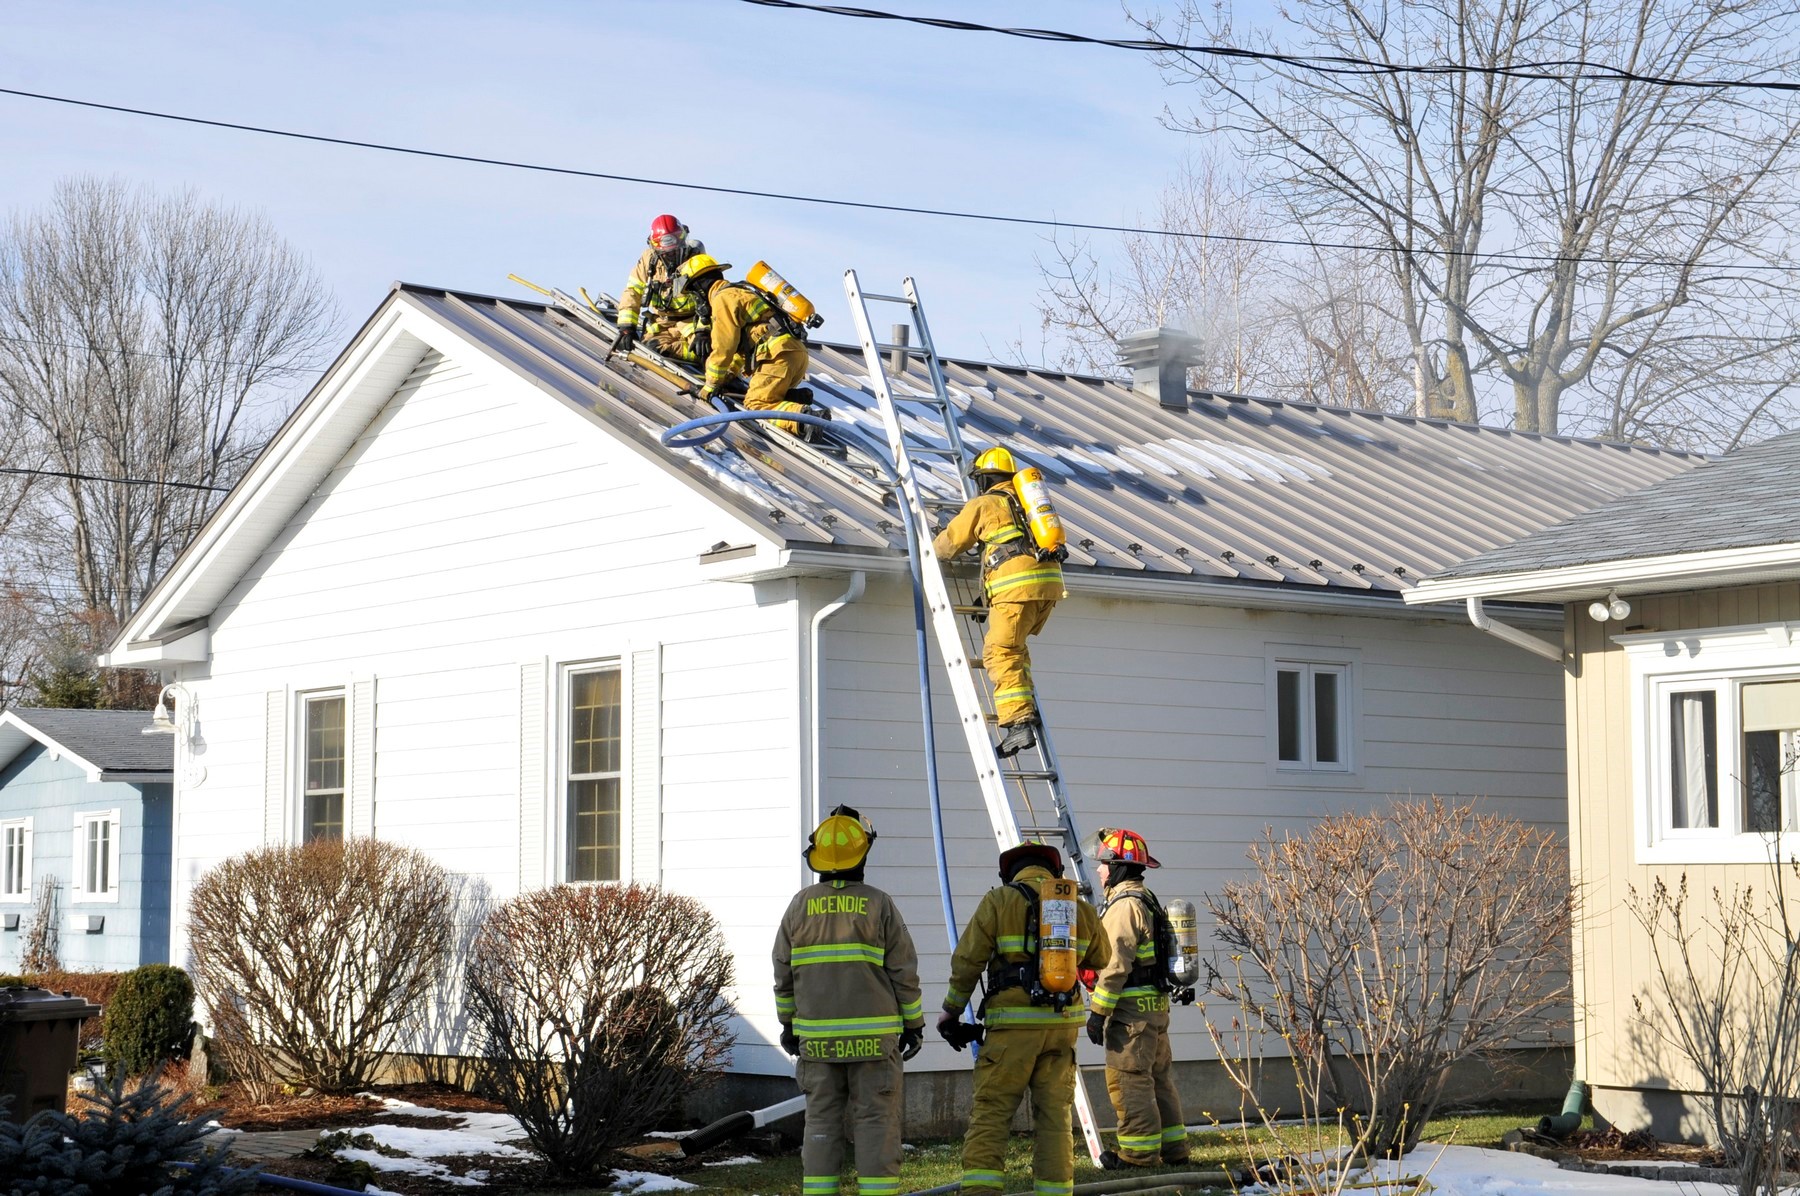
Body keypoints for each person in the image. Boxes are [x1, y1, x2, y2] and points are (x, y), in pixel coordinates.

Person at [937, 842, 1109, 1196]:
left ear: (1010, 872)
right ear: (1054, 873)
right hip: (1061, 1029)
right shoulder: (1074, 905)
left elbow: (967, 962)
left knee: (992, 1115)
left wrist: (951, 1011)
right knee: (1055, 1120)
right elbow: (1102, 956)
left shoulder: (999, 901)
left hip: (1011, 1031)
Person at [774, 805, 925, 1196]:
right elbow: (903, 972)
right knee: (876, 1122)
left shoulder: (798, 906)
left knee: (820, 1123)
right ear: (864, 854)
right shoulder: (879, 904)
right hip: (874, 1044)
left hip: (818, 1045)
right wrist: (914, 1026)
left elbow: (783, 974)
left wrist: (788, 1025)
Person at [932, 446, 1067, 757]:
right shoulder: (1026, 503)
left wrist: (925, 548)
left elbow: (950, 544)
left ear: (984, 479)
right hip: (1046, 588)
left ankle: (1019, 723)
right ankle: (1024, 711)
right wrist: (988, 596)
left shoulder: (986, 503)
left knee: (999, 652)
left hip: (1016, 589)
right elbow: (1016, 549)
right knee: (1015, 649)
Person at [1085, 828, 1189, 1169]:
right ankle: (1175, 1152)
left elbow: (1115, 965)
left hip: (1130, 1014)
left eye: (1104, 864)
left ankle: (1139, 1156)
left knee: (1129, 1082)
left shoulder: (1124, 906)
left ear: (1118, 867)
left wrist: (1098, 1012)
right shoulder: (1147, 899)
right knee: (1158, 1081)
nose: (1099, 871)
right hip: (1154, 1009)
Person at [675, 254, 815, 436]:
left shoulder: (722, 300)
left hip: (777, 358)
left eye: (694, 294)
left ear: (700, 287)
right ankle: (793, 399)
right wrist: (728, 376)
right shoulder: (741, 290)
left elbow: (724, 347)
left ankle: (805, 421)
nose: (696, 301)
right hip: (793, 354)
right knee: (767, 397)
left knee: (756, 405)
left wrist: (711, 384)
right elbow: (742, 350)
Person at [613, 214, 706, 361]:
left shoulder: (697, 261)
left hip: (691, 323)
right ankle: (689, 355)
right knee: (650, 348)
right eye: (667, 253)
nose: (672, 255)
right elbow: (633, 291)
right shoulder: (649, 259)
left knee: (707, 349)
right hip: (663, 324)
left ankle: (701, 356)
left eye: (676, 250)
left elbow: (709, 302)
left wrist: (703, 332)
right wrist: (626, 327)